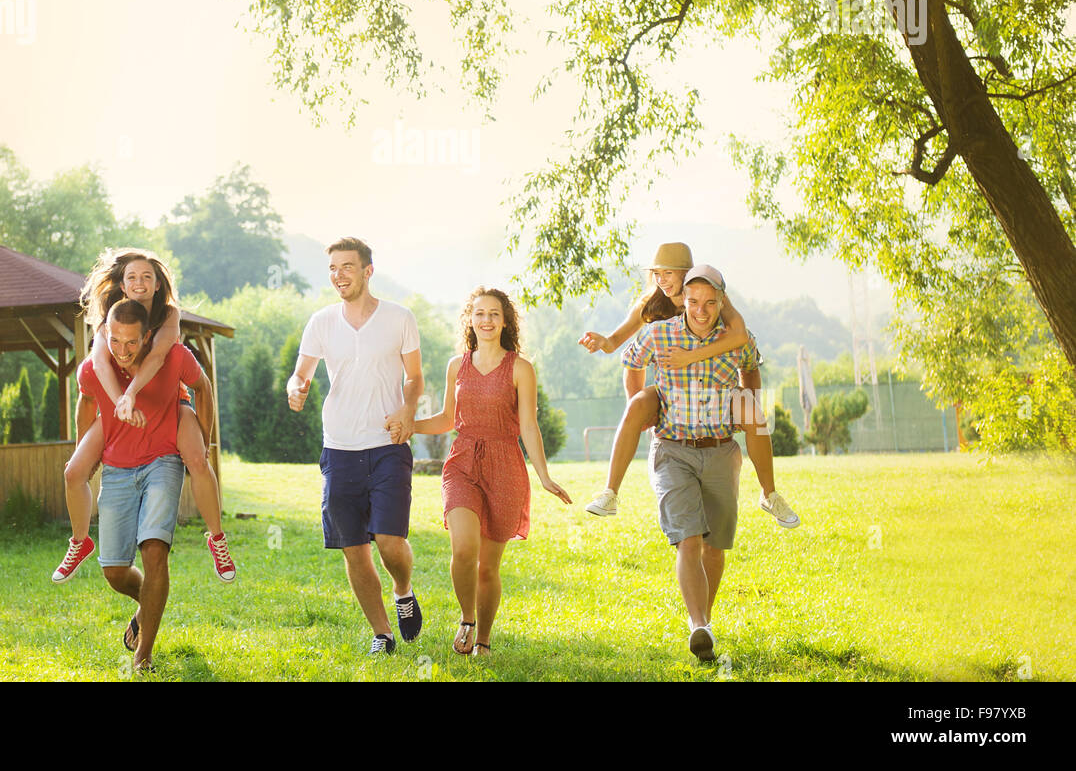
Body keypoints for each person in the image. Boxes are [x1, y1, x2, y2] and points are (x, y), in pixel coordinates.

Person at [579, 242, 798, 530]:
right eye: (657, 273)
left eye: (668, 273)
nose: (662, 280)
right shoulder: (650, 304)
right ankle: (610, 493)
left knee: (751, 410)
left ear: (687, 273)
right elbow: (622, 349)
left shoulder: (710, 297)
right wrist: (605, 347)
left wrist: (693, 360)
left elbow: (740, 337)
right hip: (669, 390)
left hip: (712, 389)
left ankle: (769, 494)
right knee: (637, 406)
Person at [53, 248, 235, 584]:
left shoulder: (167, 315)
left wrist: (132, 394)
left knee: (196, 458)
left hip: (167, 398)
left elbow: (159, 357)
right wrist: (120, 402)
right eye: (132, 277)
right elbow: (99, 364)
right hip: (119, 401)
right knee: (74, 471)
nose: (139, 282)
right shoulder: (110, 316)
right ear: (121, 285)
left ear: (156, 285)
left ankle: (217, 539)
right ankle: (80, 541)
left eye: (147, 277)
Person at [404, 287, 570, 657]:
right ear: (470, 319)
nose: (486, 320)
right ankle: (467, 618)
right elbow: (448, 418)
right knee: (464, 550)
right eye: (479, 313)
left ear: (505, 320)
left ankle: (483, 640)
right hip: (462, 461)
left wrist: (543, 475)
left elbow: (529, 425)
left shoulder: (520, 368)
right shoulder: (456, 366)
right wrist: (409, 425)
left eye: (494, 314)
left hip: (505, 466)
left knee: (488, 569)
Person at [285, 237, 425, 656]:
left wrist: (407, 408)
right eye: (332, 268)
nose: (338, 275)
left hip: (387, 443)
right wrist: (296, 387)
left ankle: (403, 590)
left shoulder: (400, 318)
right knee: (353, 548)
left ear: (367, 271)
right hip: (339, 448)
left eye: (347, 267)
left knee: (388, 540)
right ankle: (382, 633)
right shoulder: (322, 322)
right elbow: (301, 373)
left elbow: (415, 378)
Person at [625, 264, 761, 662]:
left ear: (722, 303)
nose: (701, 310)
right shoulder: (660, 332)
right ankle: (698, 624)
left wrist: (747, 405)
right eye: (693, 301)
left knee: (714, 547)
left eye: (710, 302)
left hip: (720, 449)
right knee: (688, 538)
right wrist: (642, 405)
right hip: (672, 448)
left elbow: (752, 369)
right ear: (682, 299)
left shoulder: (737, 339)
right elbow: (630, 360)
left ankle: (706, 621)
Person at [76, 298, 210, 672]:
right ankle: (149, 602)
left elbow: (204, 387)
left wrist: (205, 441)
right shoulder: (96, 366)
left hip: (164, 460)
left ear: (147, 336)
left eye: (132, 343)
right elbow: (85, 403)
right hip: (118, 468)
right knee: (114, 571)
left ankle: (143, 656)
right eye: (115, 342)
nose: (123, 350)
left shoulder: (172, 356)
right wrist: (85, 452)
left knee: (154, 551)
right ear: (105, 334)